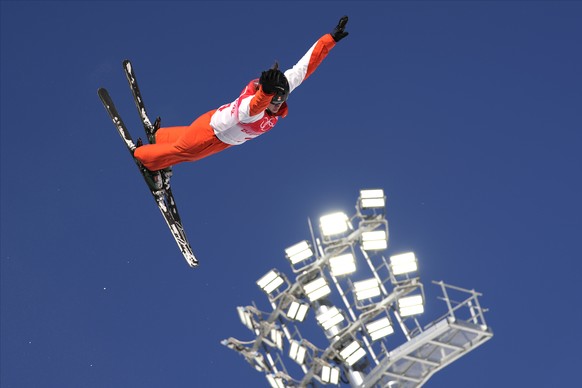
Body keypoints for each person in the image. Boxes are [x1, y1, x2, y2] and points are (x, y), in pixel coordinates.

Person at [133, 16, 350, 176]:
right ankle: (145, 159)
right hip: (211, 135)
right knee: (184, 153)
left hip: (219, 133)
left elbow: (303, 68)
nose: (278, 106)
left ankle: (160, 138)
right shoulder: (251, 108)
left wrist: (330, 40)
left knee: (183, 142)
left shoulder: (279, 93)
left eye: (281, 101)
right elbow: (255, 106)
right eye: (274, 102)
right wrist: (265, 92)